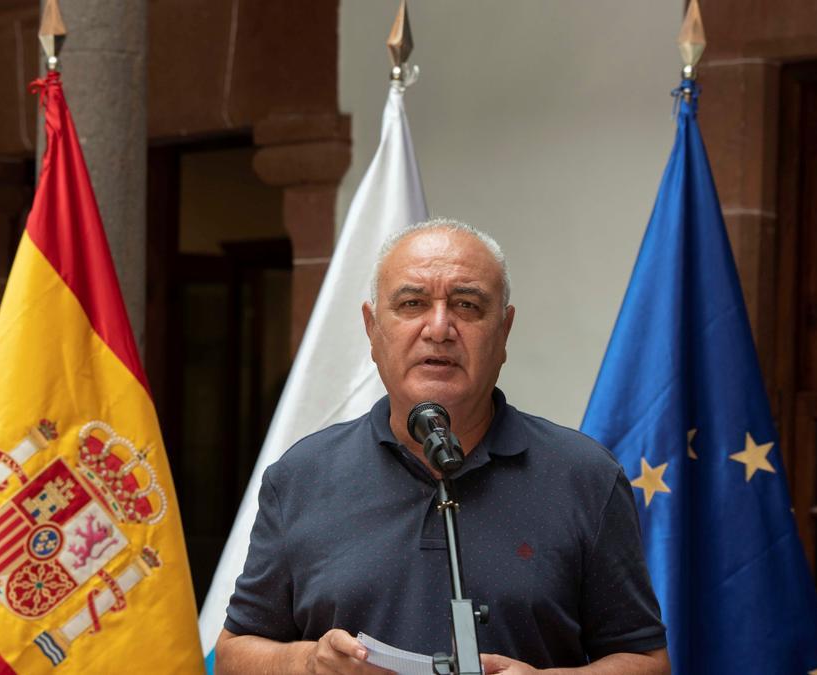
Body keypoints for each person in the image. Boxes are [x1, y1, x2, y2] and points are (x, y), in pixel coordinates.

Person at [215, 220, 669, 674]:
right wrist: (309, 663)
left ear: (504, 330)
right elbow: (234, 653)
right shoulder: (301, 475)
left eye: (467, 305)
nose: (439, 328)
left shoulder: (584, 475)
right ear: (372, 329)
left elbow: (647, 662)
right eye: (412, 304)